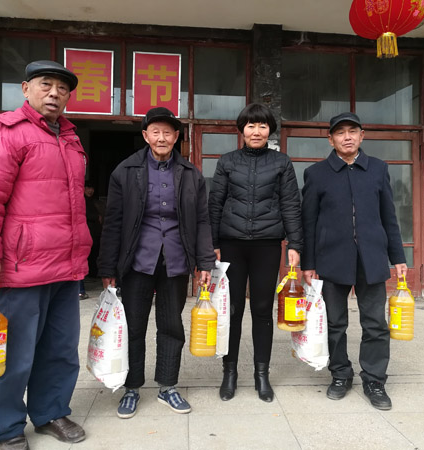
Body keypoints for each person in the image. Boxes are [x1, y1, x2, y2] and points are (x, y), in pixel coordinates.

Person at [0, 60, 91, 450]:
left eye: (62, 89)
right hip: (22, 265)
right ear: (25, 88)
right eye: (45, 85)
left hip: (66, 265)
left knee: (60, 350)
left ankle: (51, 412)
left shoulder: (70, 138)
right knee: (16, 354)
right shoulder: (6, 133)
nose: (54, 93)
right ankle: (7, 428)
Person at [97, 106, 215, 419]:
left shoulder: (191, 174)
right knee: (133, 325)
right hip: (138, 261)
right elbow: (113, 222)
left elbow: (202, 221)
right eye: (156, 132)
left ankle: (168, 386)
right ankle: (132, 387)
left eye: (168, 132)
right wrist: (107, 267)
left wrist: (205, 262)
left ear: (176, 137)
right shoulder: (125, 171)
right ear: (145, 136)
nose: (162, 138)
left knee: (171, 325)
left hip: (175, 260)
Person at [301, 112, 407, 411]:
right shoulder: (316, 173)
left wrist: (398, 256)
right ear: (330, 139)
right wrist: (308, 263)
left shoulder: (378, 169)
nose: (347, 137)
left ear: (362, 135)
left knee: (375, 323)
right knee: (335, 323)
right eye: (340, 132)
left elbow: (389, 216)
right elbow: (308, 222)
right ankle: (340, 374)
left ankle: (374, 380)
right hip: (331, 258)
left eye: (352, 131)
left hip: (371, 258)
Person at [208, 103, 303, 402]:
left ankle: (262, 374)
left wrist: (295, 244)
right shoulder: (227, 161)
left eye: (262, 125)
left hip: (266, 245)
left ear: (269, 130)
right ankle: (230, 373)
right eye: (251, 125)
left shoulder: (281, 162)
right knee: (233, 309)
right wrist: (212, 243)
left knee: (262, 309)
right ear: (242, 130)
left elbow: (291, 204)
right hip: (231, 244)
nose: (256, 131)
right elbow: (215, 203)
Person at [79, 182, 102, 300]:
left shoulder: (94, 201)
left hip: (94, 233)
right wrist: (96, 217)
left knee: (94, 253)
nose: (90, 190)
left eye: (91, 188)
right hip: (85, 233)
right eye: (87, 188)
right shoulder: (80, 200)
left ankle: (93, 273)